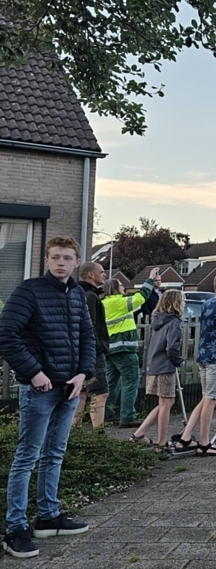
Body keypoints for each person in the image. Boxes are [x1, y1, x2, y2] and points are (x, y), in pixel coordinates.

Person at [0, 237, 95, 559]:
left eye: (67, 258)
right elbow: (6, 334)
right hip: (39, 390)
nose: (61, 263)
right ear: (46, 260)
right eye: (55, 257)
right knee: (27, 457)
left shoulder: (77, 293)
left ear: (76, 262)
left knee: (55, 454)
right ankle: (15, 528)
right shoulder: (29, 291)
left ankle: (48, 516)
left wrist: (83, 374)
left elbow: (87, 336)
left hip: (69, 388)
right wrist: (33, 372)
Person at [172, 273, 216, 455]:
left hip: (202, 355)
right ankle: (204, 443)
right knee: (211, 400)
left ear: (214, 287)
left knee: (205, 397)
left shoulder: (206, 304)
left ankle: (186, 437)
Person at [102, 268, 159, 427]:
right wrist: (150, 279)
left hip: (110, 349)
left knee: (111, 383)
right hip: (124, 348)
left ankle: (107, 415)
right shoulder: (118, 302)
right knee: (131, 381)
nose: (124, 287)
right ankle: (127, 416)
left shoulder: (104, 303)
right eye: (121, 285)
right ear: (115, 288)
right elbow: (141, 297)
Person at [130, 289, 184, 450]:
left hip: (153, 364)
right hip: (165, 366)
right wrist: (178, 361)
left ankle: (139, 434)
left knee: (164, 402)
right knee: (166, 402)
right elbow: (172, 347)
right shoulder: (174, 322)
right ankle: (161, 441)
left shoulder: (157, 319)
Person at [72, 262, 110, 429]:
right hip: (92, 352)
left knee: (81, 392)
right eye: (101, 272)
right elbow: (90, 325)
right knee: (100, 392)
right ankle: (98, 433)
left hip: (79, 350)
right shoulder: (90, 296)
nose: (104, 274)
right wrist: (98, 347)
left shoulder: (77, 293)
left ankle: (74, 431)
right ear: (91, 275)